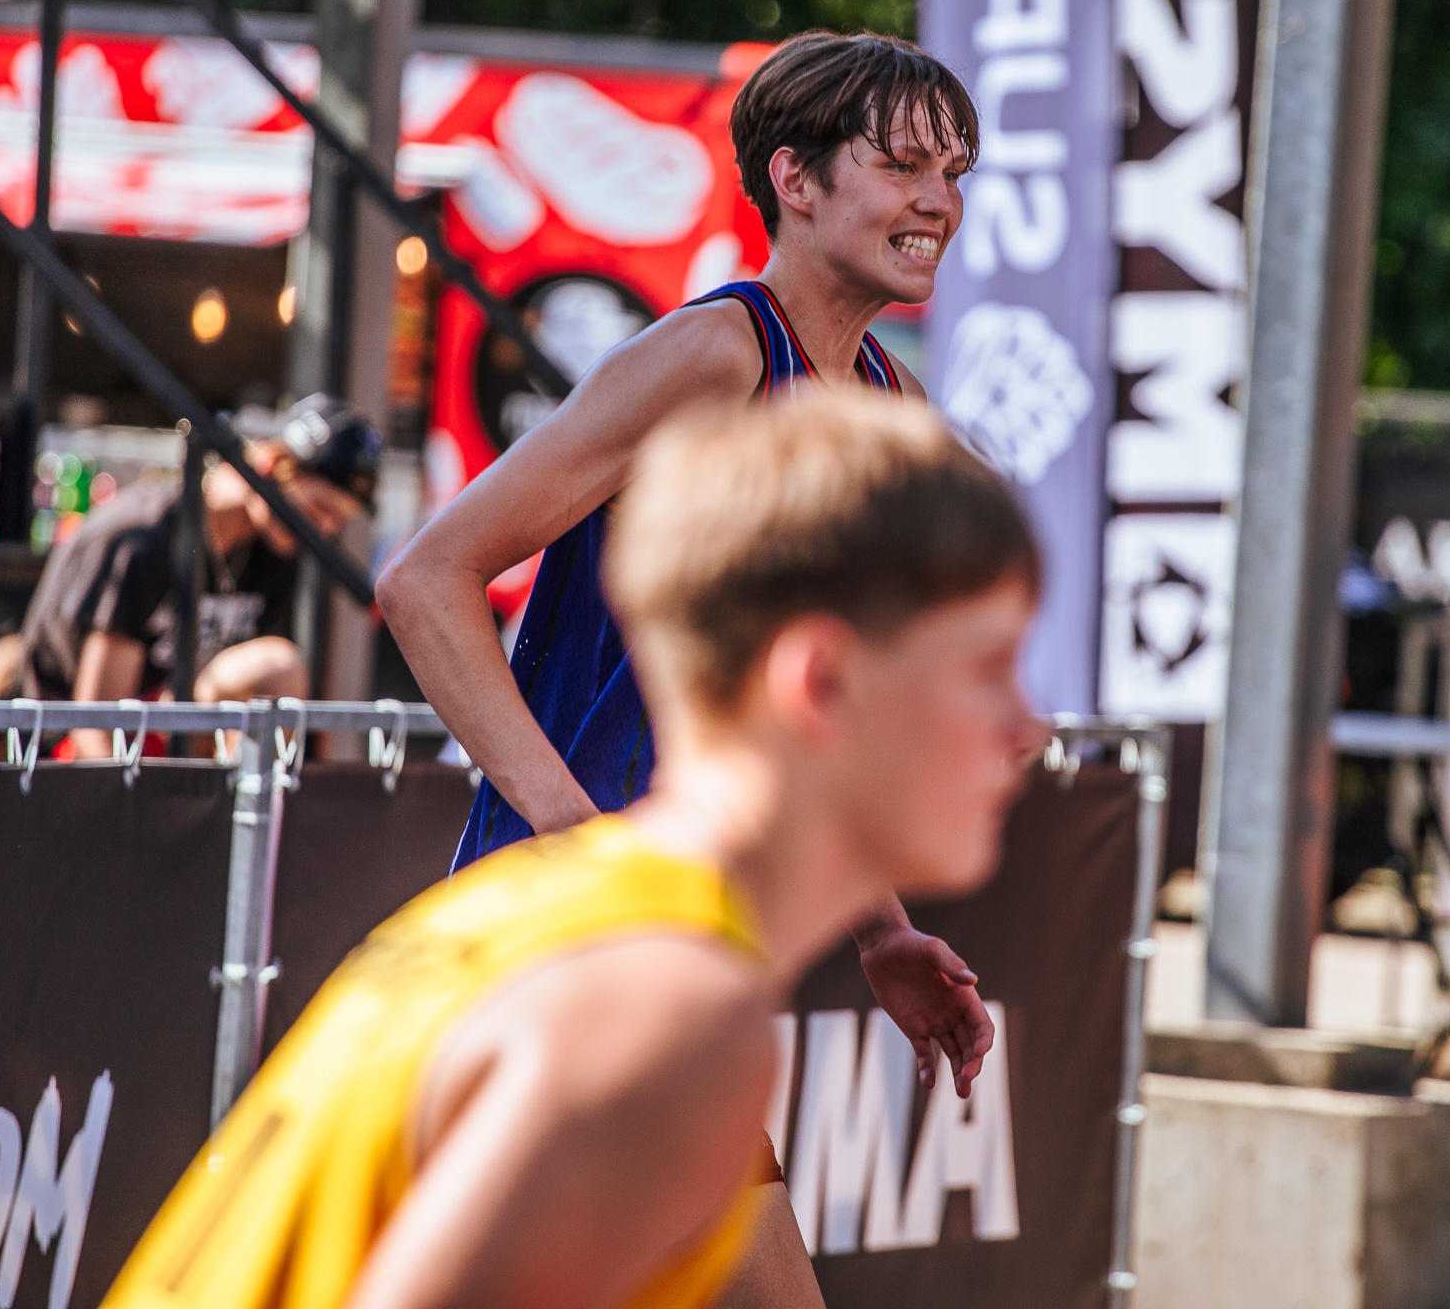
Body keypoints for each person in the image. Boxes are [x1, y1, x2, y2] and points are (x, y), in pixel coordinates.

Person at [103, 393, 1045, 1309]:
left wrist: (881, 931)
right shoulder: (657, 1010)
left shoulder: (610, 930)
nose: (1028, 727)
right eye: (987, 669)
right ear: (821, 682)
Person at [378, 30, 982, 1306]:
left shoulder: (884, 405)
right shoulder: (715, 354)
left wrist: (882, 931)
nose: (939, 199)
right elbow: (426, 580)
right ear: (794, 180)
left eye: (955, 171)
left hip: (666, 958)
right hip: (565, 947)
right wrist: (574, 836)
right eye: (904, 164)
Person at [19, 394, 380, 759]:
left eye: (338, 520)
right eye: (319, 508)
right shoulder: (144, 538)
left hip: (166, 728)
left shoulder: (274, 549)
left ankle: (247, 794)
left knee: (275, 670)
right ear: (270, 465)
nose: (325, 529)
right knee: (276, 665)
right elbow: (95, 723)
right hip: (63, 745)